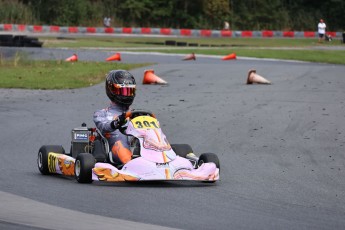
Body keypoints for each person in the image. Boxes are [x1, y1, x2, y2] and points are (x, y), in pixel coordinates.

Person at [93, 70, 136, 165]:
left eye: (129, 91)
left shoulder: (136, 114)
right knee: (119, 144)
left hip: (136, 147)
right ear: (112, 90)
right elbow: (103, 127)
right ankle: (130, 165)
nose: (127, 95)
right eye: (124, 91)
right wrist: (115, 123)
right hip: (115, 147)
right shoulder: (101, 114)